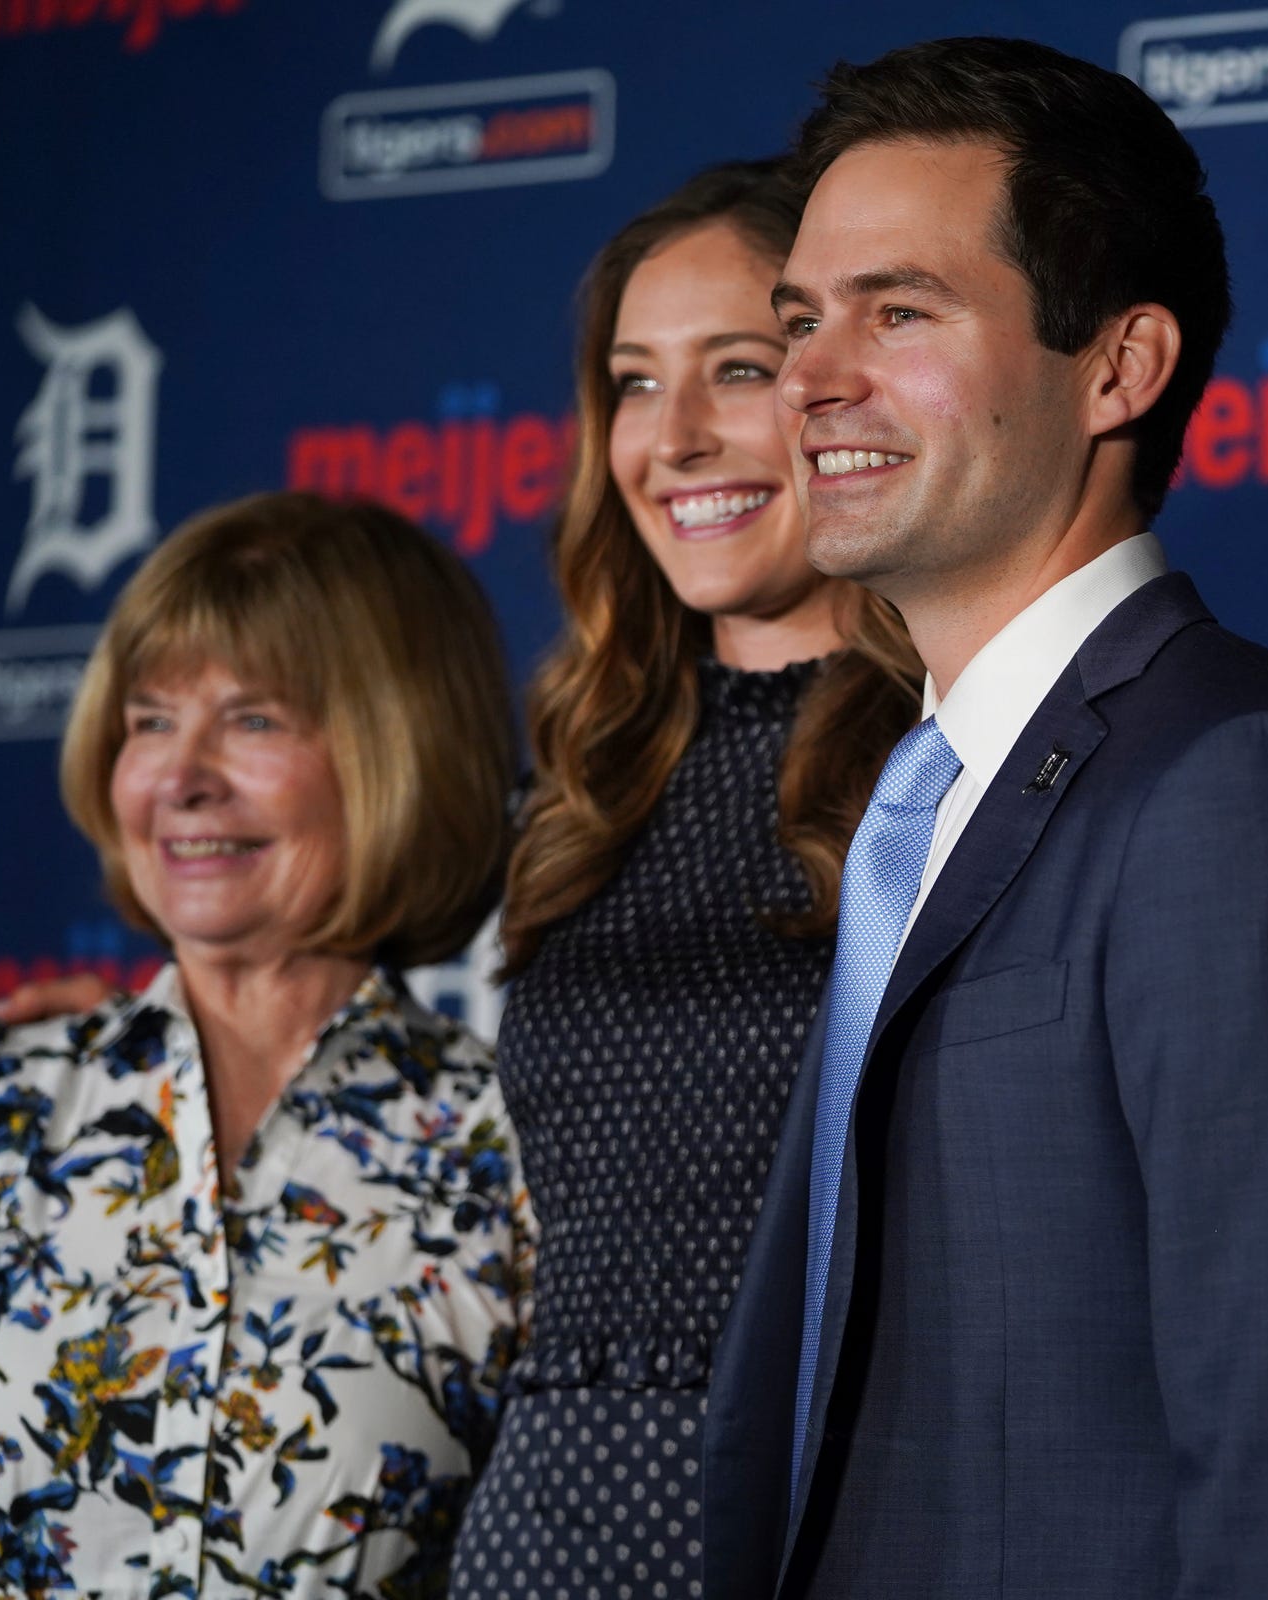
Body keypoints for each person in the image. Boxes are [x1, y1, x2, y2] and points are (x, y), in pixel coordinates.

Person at [701, 37, 1268, 1600]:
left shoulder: (1248, 787)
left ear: (1120, 368)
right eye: (800, 321)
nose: (808, 382)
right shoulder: (921, 792)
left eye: (897, 313)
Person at [0, 493, 532, 1597]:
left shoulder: (505, 1145)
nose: (180, 778)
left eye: (254, 718)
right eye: (151, 718)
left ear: (398, 746)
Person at [447, 162, 919, 1598]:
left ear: (840, 390)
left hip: (823, 1519)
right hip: (545, 1533)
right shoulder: (580, 783)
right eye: (633, 385)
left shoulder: (954, 764)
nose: (677, 438)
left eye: (738, 369)